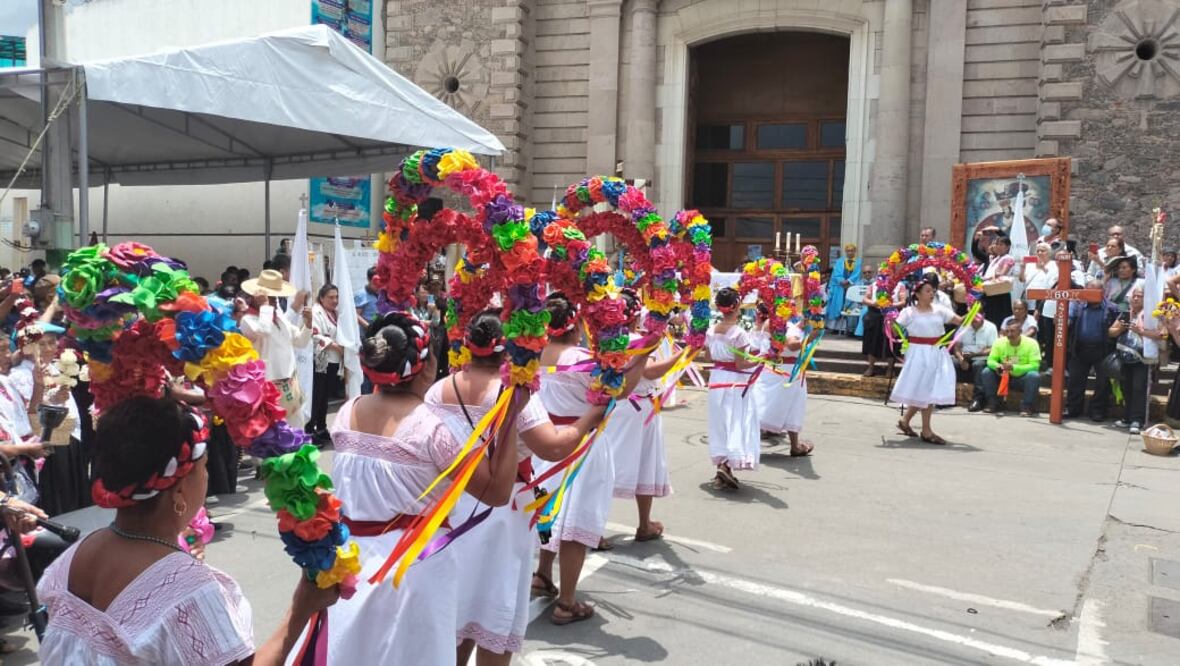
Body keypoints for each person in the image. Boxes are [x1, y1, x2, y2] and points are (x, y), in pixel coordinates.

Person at [36, 396, 339, 664]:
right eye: (204, 467)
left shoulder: (77, 554)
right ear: (178, 490)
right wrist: (300, 609)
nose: (206, 478)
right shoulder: (190, 591)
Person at [318, 312, 520, 663]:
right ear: (426, 367)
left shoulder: (346, 413)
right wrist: (512, 413)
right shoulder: (434, 430)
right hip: (412, 571)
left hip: (348, 562)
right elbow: (497, 492)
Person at [426, 310, 606, 660]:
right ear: (507, 349)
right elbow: (552, 446)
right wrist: (590, 418)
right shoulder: (514, 394)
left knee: (456, 604)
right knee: (495, 606)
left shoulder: (438, 390)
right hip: (500, 513)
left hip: (449, 508)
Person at [532, 293, 646, 625]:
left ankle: (542, 575)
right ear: (574, 325)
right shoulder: (583, 357)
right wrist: (641, 359)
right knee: (574, 526)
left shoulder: (533, 353)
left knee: (549, 513)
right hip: (582, 446)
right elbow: (619, 390)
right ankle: (566, 602)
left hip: (546, 444)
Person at [606, 290, 681, 541]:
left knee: (620, 465)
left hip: (629, 409)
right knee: (621, 466)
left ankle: (639, 524)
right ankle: (638, 524)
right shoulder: (635, 340)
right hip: (635, 409)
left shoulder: (606, 339)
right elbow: (649, 373)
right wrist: (682, 354)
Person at [890, 275, 964, 444]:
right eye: (928, 291)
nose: (932, 294)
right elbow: (895, 331)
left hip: (936, 351)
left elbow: (959, 321)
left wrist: (973, 312)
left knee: (928, 388)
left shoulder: (940, 309)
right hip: (917, 352)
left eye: (933, 291)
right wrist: (889, 319)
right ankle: (925, 430)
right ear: (917, 294)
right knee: (924, 387)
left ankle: (909, 422)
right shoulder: (908, 312)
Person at [239, 269, 312, 430]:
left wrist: (308, 324)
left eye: (274, 298)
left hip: (290, 382)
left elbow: (300, 341)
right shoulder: (247, 320)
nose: (274, 301)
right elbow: (263, 331)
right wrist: (264, 306)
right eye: (270, 298)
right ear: (256, 298)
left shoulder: (280, 319)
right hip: (268, 385)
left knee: (297, 428)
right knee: (272, 434)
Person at [705, 287, 761, 487]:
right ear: (736, 306)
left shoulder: (711, 330)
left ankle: (722, 465)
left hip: (716, 379)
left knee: (720, 422)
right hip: (734, 382)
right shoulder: (739, 333)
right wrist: (760, 359)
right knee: (736, 421)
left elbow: (709, 357)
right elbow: (741, 364)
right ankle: (727, 464)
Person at [753, 306, 814, 456]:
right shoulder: (775, 323)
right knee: (763, 406)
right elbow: (792, 345)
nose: (793, 307)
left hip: (789, 371)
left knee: (793, 406)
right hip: (781, 371)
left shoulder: (786, 323)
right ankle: (747, 444)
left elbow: (792, 332)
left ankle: (795, 446)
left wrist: (803, 324)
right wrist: (812, 336)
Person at [1111, 287, 1163, 434]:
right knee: (1126, 389)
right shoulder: (1125, 314)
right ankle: (1127, 418)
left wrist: (1141, 332)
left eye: (1139, 296)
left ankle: (1137, 420)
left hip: (1142, 360)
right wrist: (1120, 329)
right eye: (1134, 296)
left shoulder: (1151, 316)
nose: (1136, 299)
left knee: (1139, 389)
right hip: (1124, 358)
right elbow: (1111, 331)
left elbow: (1161, 334)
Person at [1067, 278, 1119, 421]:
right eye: (1088, 291)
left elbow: (1117, 327)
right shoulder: (1077, 306)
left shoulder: (1112, 308)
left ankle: (1097, 410)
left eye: (1095, 291)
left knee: (1102, 383)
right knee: (1075, 380)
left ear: (1102, 292)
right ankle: (1073, 408)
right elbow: (1069, 320)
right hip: (1080, 348)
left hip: (1102, 350)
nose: (1091, 294)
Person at [980, 321, 1043, 415]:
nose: (1009, 334)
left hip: (1021, 378)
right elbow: (990, 360)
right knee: (987, 371)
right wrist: (998, 366)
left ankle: (1027, 406)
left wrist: (1014, 367)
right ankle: (992, 403)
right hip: (1002, 376)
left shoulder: (1032, 343)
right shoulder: (999, 342)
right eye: (1007, 331)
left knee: (1034, 376)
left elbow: (1035, 366)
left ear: (1020, 331)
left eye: (1012, 331)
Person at [308, 284, 344, 445]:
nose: (334, 300)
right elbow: (314, 334)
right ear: (321, 298)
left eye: (336, 297)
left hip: (334, 360)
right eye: (330, 297)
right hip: (321, 360)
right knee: (317, 396)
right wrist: (334, 345)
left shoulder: (335, 313)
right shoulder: (316, 312)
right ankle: (309, 430)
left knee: (325, 397)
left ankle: (321, 427)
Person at [859, 265, 906, 377]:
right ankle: (871, 367)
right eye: (881, 273)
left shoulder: (899, 285)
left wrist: (890, 305)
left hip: (891, 315)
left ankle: (890, 369)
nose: (884, 276)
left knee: (892, 343)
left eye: (887, 274)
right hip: (875, 314)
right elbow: (865, 299)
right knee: (872, 342)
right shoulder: (873, 285)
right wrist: (873, 303)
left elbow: (903, 301)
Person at [954, 315, 998, 413]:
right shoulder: (964, 326)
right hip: (965, 355)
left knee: (978, 365)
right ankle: (948, 397)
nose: (973, 323)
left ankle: (977, 399)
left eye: (976, 320)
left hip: (981, 356)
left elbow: (993, 348)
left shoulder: (991, 327)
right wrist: (961, 359)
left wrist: (976, 354)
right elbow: (956, 347)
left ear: (983, 316)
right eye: (971, 320)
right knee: (951, 363)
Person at [824, 243, 861, 333]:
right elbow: (836, 273)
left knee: (849, 306)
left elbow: (858, 273)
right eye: (848, 251)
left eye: (852, 250)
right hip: (839, 287)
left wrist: (848, 281)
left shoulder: (859, 261)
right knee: (837, 305)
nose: (850, 252)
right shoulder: (840, 261)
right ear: (845, 252)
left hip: (851, 286)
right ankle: (835, 328)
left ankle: (848, 328)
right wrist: (841, 280)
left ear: (855, 251)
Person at [981, 235, 1015, 327]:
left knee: (999, 318)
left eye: (1001, 244)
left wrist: (985, 279)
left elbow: (1002, 274)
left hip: (1000, 292)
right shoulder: (995, 258)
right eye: (997, 244)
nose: (998, 246)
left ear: (1007, 247)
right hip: (990, 291)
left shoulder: (1008, 258)